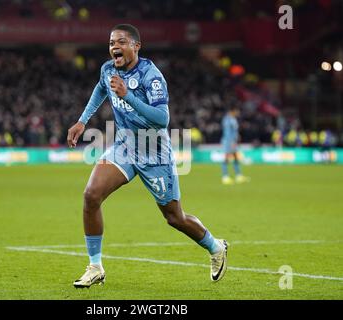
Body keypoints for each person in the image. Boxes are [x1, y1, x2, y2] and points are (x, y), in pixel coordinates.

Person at [67, 24, 228, 288]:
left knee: (174, 217)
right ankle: (95, 266)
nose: (114, 48)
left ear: (136, 46)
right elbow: (100, 89)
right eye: (111, 43)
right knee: (91, 195)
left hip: (154, 153)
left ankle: (216, 246)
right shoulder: (108, 69)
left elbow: (162, 119)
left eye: (120, 42)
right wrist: (82, 121)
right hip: (124, 146)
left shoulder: (151, 76)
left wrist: (127, 96)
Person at [221, 106, 250, 185]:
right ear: (232, 111)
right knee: (226, 158)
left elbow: (234, 131)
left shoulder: (233, 119)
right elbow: (227, 133)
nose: (238, 112)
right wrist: (231, 142)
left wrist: (237, 137)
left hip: (233, 141)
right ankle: (225, 177)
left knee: (236, 158)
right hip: (229, 142)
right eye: (237, 110)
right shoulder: (227, 120)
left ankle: (238, 176)